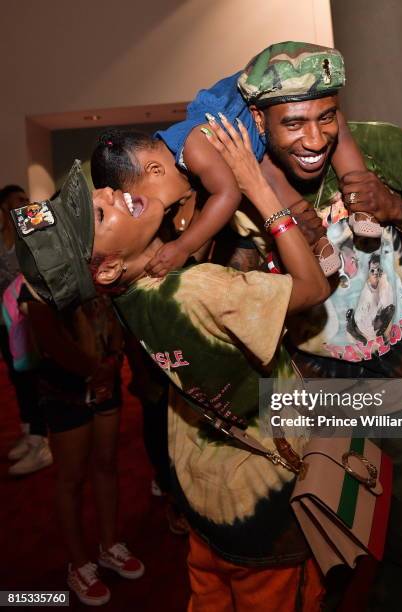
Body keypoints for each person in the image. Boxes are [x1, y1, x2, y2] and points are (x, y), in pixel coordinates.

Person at [14, 114, 330, 610]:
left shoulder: (129, 297)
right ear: (110, 266)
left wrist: (175, 198)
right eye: (98, 214)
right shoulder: (198, 289)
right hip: (265, 511)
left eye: (96, 195)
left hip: (204, 498)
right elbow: (314, 288)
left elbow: (176, 250)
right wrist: (258, 188)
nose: (109, 194)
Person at [197, 42, 402, 612]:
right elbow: (231, 301)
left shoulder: (383, 143)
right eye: (292, 123)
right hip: (317, 395)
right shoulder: (240, 187)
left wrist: (399, 209)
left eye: (326, 117)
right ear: (259, 121)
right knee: (325, 549)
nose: (313, 140)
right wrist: (279, 247)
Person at [91, 43, 369, 280]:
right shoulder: (187, 164)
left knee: (336, 128)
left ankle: (360, 199)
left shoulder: (193, 146)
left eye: (145, 200)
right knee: (282, 195)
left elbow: (227, 194)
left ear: (154, 170)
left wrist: (184, 246)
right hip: (254, 154)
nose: (160, 210)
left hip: (275, 91)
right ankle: (322, 246)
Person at [20, 283, 144, 606]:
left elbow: (116, 308)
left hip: (107, 372)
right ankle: (78, 564)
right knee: (71, 478)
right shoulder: (38, 270)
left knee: (106, 464)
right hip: (64, 384)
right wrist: (94, 369)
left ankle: (109, 545)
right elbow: (48, 336)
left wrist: (114, 358)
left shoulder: (98, 252)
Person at [0, 184, 52, 475]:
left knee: (34, 376)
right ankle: (30, 432)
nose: (24, 203)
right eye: (17, 200)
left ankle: (41, 441)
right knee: (17, 375)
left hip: (30, 312)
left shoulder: (31, 222)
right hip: (5, 317)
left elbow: (52, 236)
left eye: (25, 198)